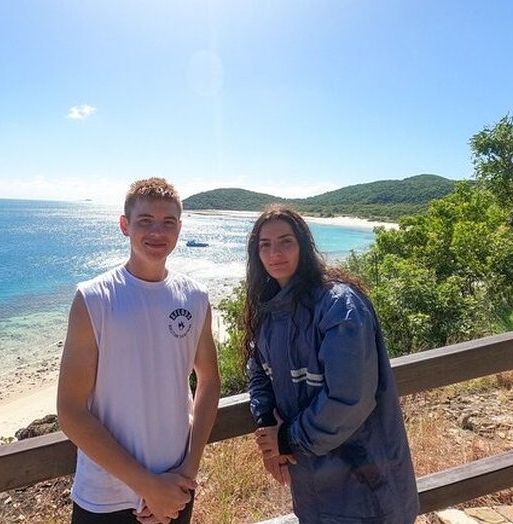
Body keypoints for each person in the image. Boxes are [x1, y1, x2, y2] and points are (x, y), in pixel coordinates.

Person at [57, 177, 221, 524]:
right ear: (124, 225)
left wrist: (187, 471)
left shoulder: (195, 297)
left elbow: (209, 381)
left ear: (180, 228)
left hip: (176, 485)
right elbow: (70, 411)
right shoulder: (94, 298)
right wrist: (148, 486)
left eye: (168, 223)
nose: (157, 232)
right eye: (145, 221)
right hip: (105, 497)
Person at [242, 205, 418, 524]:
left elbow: (348, 399)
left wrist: (286, 440)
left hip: (368, 489)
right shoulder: (268, 313)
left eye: (285, 241)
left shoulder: (339, 307)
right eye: (264, 245)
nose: (274, 253)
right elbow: (258, 374)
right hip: (312, 489)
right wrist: (268, 427)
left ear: (304, 247)